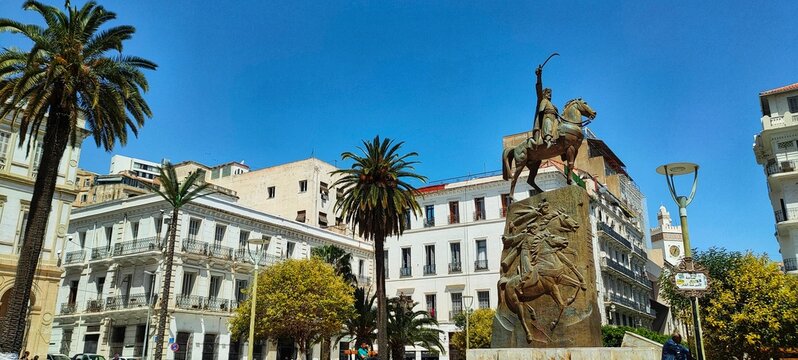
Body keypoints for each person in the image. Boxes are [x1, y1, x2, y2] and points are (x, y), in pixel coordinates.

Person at [534, 66, 560, 148]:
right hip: (546, 120)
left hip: (554, 120)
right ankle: (548, 139)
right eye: (548, 93)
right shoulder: (542, 100)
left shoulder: (553, 106)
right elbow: (539, 88)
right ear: (544, 94)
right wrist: (539, 76)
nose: (550, 95)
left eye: (551, 94)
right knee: (548, 122)